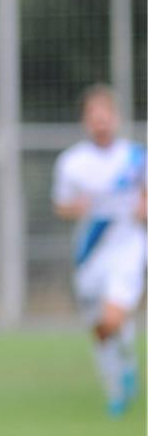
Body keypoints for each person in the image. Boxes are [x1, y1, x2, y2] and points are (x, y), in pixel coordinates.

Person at [52, 84, 146, 417]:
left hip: (128, 249)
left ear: (116, 119)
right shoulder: (72, 163)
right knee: (100, 328)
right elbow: (61, 206)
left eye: (106, 117)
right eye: (95, 117)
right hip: (90, 254)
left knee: (113, 316)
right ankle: (118, 384)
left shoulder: (136, 158)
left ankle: (125, 374)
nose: (101, 123)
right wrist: (75, 207)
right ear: (85, 121)